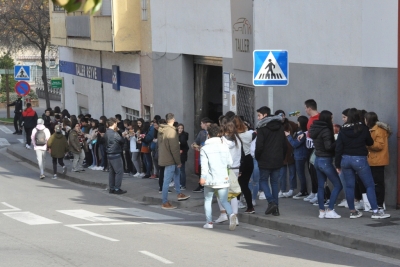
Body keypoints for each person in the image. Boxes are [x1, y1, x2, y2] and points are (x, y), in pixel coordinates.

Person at [335, 108, 390, 219]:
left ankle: (353, 211)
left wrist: (337, 164)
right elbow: (369, 142)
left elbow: (338, 148)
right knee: (369, 185)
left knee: (350, 187)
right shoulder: (363, 128)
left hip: (345, 160)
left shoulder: (343, 130)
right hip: (359, 159)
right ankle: (375, 212)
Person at [199, 124, 236, 230]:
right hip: (223, 178)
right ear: (219, 134)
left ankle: (209, 222)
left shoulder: (205, 149)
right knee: (224, 200)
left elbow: (204, 166)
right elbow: (230, 162)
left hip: (210, 179)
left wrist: (202, 177)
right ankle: (232, 215)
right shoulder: (224, 147)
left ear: (208, 135)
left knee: (208, 200)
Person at [309, 110, 342, 219]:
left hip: (317, 159)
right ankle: (330, 209)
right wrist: (338, 140)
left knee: (320, 186)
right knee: (338, 185)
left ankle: (321, 211)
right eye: (331, 118)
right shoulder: (326, 130)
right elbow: (328, 147)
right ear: (327, 118)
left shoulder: (314, 128)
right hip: (325, 160)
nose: (332, 120)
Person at [255, 106, 286, 216]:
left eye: (259, 115)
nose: (258, 118)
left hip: (265, 159)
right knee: (274, 183)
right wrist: (282, 157)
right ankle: (276, 209)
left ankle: (271, 202)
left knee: (263, 180)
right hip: (277, 159)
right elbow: (284, 144)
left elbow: (259, 146)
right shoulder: (280, 127)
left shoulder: (262, 128)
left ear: (265, 115)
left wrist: (257, 157)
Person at [158, 113, 190, 209]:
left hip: (165, 156)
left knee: (177, 174)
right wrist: (178, 161)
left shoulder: (161, 129)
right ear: (173, 119)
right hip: (171, 159)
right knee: (167, 180)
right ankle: (164, 201)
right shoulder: (171, 131)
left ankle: (179, 193)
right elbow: (175, 148)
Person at [366, 112, 391, 210]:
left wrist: (367, 144)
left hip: (377, 160)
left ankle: (380, 204)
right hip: (373, 159)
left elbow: (379, 146)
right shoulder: (373, 129)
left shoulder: (378, 130)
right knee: (375, 183)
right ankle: (377, 203)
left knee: (378, 183)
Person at [232, 116, 255, 213]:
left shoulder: (235, 137)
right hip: (249, 159)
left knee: (239, 185)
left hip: (240, 161)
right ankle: (250, 206)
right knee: (245, 184)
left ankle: (237, 204)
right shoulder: (249, 134)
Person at [286, 116, 309, 199]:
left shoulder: (303, 133)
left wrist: (289, 136)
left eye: (299, 122)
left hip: (300, 156)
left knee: (301, 174)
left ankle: (303, 191)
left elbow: (295, 144)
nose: (297, 123)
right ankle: (303, 191)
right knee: (300, 174)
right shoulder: (300, 132)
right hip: (298, 155)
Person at [302, 99, 320, 204]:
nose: (305, 110)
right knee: (311, 171)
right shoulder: (311, 119)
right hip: (309, 147)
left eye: (305, 108)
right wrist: (304, 134)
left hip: (315, 147)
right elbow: (309, 131)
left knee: (315, 171)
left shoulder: (319, 118)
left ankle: (319, 193)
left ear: (309, 108)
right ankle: (314, 191)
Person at [104, 117, 127, 194]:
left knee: (111, 172)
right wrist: (123, 136)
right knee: (119, 171)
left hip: (109, 153)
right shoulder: (114, 134)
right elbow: (121, 141)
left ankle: (112, 188)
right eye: (116, 123)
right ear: (114, 124)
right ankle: (117, 188)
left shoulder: (106, 132)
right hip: (115, 153)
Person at [191, 117, 213, 193]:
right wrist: (194, 145)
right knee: (201, 170)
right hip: (202, 155)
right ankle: (201, 186)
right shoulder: (201, 133)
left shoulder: (213, 132)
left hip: (211, 155)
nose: (200, 125)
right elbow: (196, 142)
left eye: (201, 123)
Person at [178, 123, 189, 190]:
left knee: (182, 170)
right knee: (178, 170)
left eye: (181, 128)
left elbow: (183, 143)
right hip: (177, 154)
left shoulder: (184, 135)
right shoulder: (176, 135)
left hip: (182, 155)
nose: (180, 129)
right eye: (179, 128)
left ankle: (183, 184)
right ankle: (179, 183)